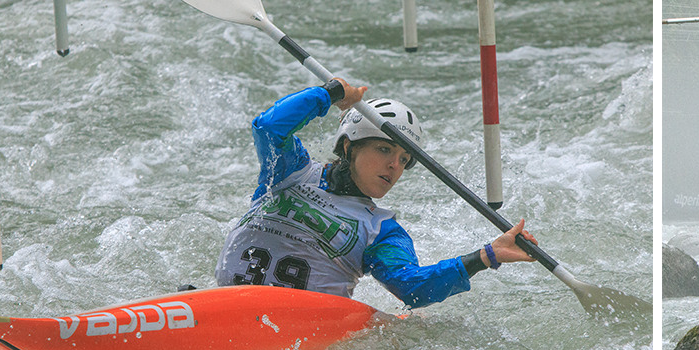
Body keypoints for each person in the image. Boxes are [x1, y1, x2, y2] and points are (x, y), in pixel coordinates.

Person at [215, 78, 538, 309]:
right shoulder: (290, 171)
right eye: (384, 149)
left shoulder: (382, 231)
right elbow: (268, 127)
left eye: (404, 160)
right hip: (226, 305)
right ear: (348, 146)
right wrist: (331, 94)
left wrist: (487, 256)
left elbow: (412, 288)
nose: (394, 166)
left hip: (300, 326)